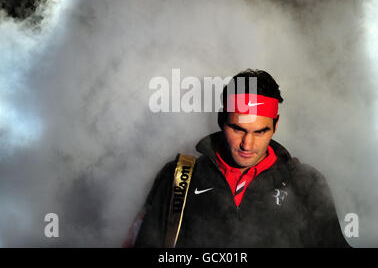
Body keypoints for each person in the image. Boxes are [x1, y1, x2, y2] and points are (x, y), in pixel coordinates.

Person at [123, 69, 350, 248]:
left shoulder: (305, 183)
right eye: (238, 129)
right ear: (222, 119)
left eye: (260, 131)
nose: (247, 144)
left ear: (275, 125)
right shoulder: (179, 177)